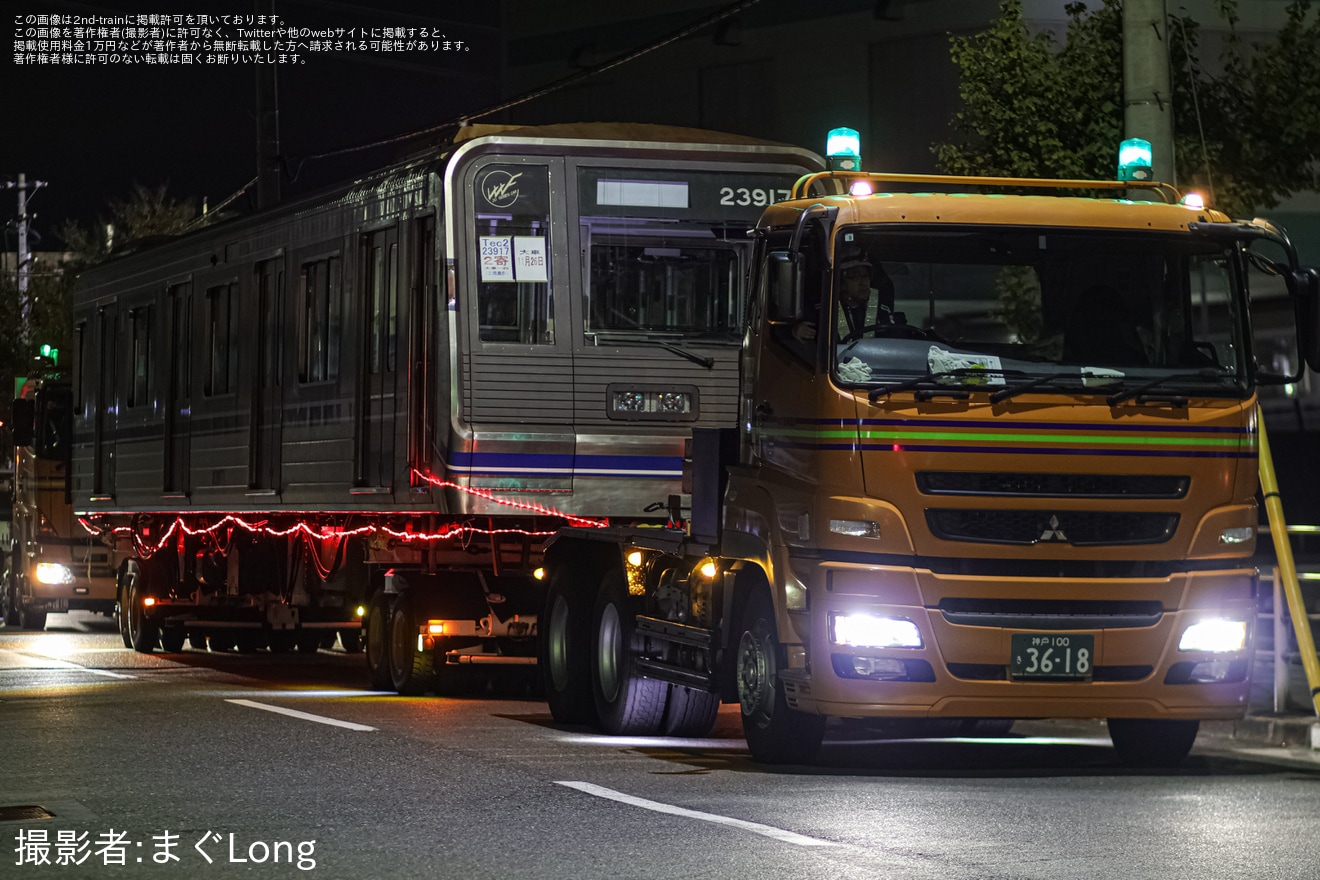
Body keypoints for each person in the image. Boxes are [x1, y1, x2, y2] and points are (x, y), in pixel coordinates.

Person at [791, 247, 897, 342]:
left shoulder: (881, 309)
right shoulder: (823, 310)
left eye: (865, 276)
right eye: (854, 276)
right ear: (840, 282)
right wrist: (796, 330)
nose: (863, 282)